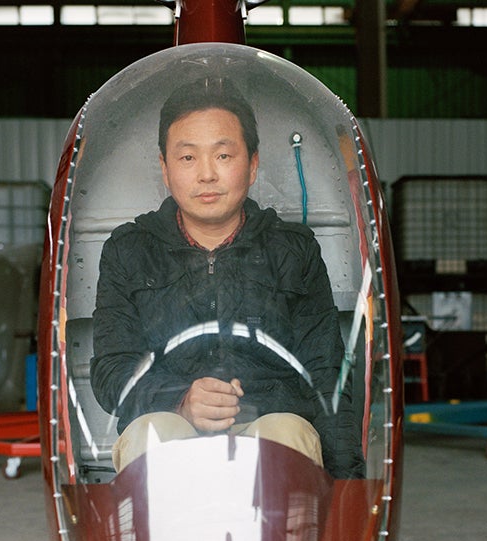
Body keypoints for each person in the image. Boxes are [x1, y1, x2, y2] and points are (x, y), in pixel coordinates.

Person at [90, 76, 363, 479]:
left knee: (286, 433)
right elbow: (112, 368)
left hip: (270, 425)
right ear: (165, 169)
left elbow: (327, 373)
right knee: (152, 433)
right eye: (187, 158)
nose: (206, 175)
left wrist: (348, 491)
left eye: (222, 156)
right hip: (171, 420)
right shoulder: (129, 250)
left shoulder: (293, 249)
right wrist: (180, 399)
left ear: (252, 164)